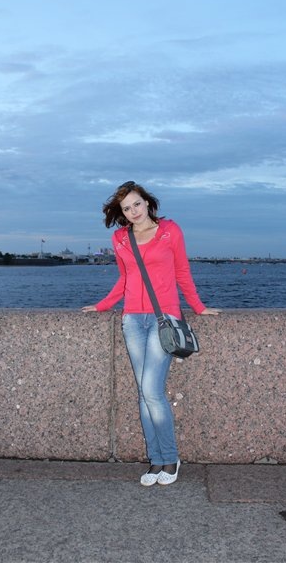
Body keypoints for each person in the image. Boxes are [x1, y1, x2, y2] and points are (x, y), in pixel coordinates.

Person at [82, 181, 220, 486]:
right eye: (126, 208)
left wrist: (198, 307)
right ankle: (156, 460)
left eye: (137, 204)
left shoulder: (170, 231)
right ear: (122, 213)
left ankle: (170, 457)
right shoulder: (120, 238)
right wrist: (103, 305)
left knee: (151, 390)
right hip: (132, 319)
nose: (133, 211)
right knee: (143, 393)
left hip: (164, 318)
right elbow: (125, 278)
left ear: (147, 202)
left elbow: (182, 272)